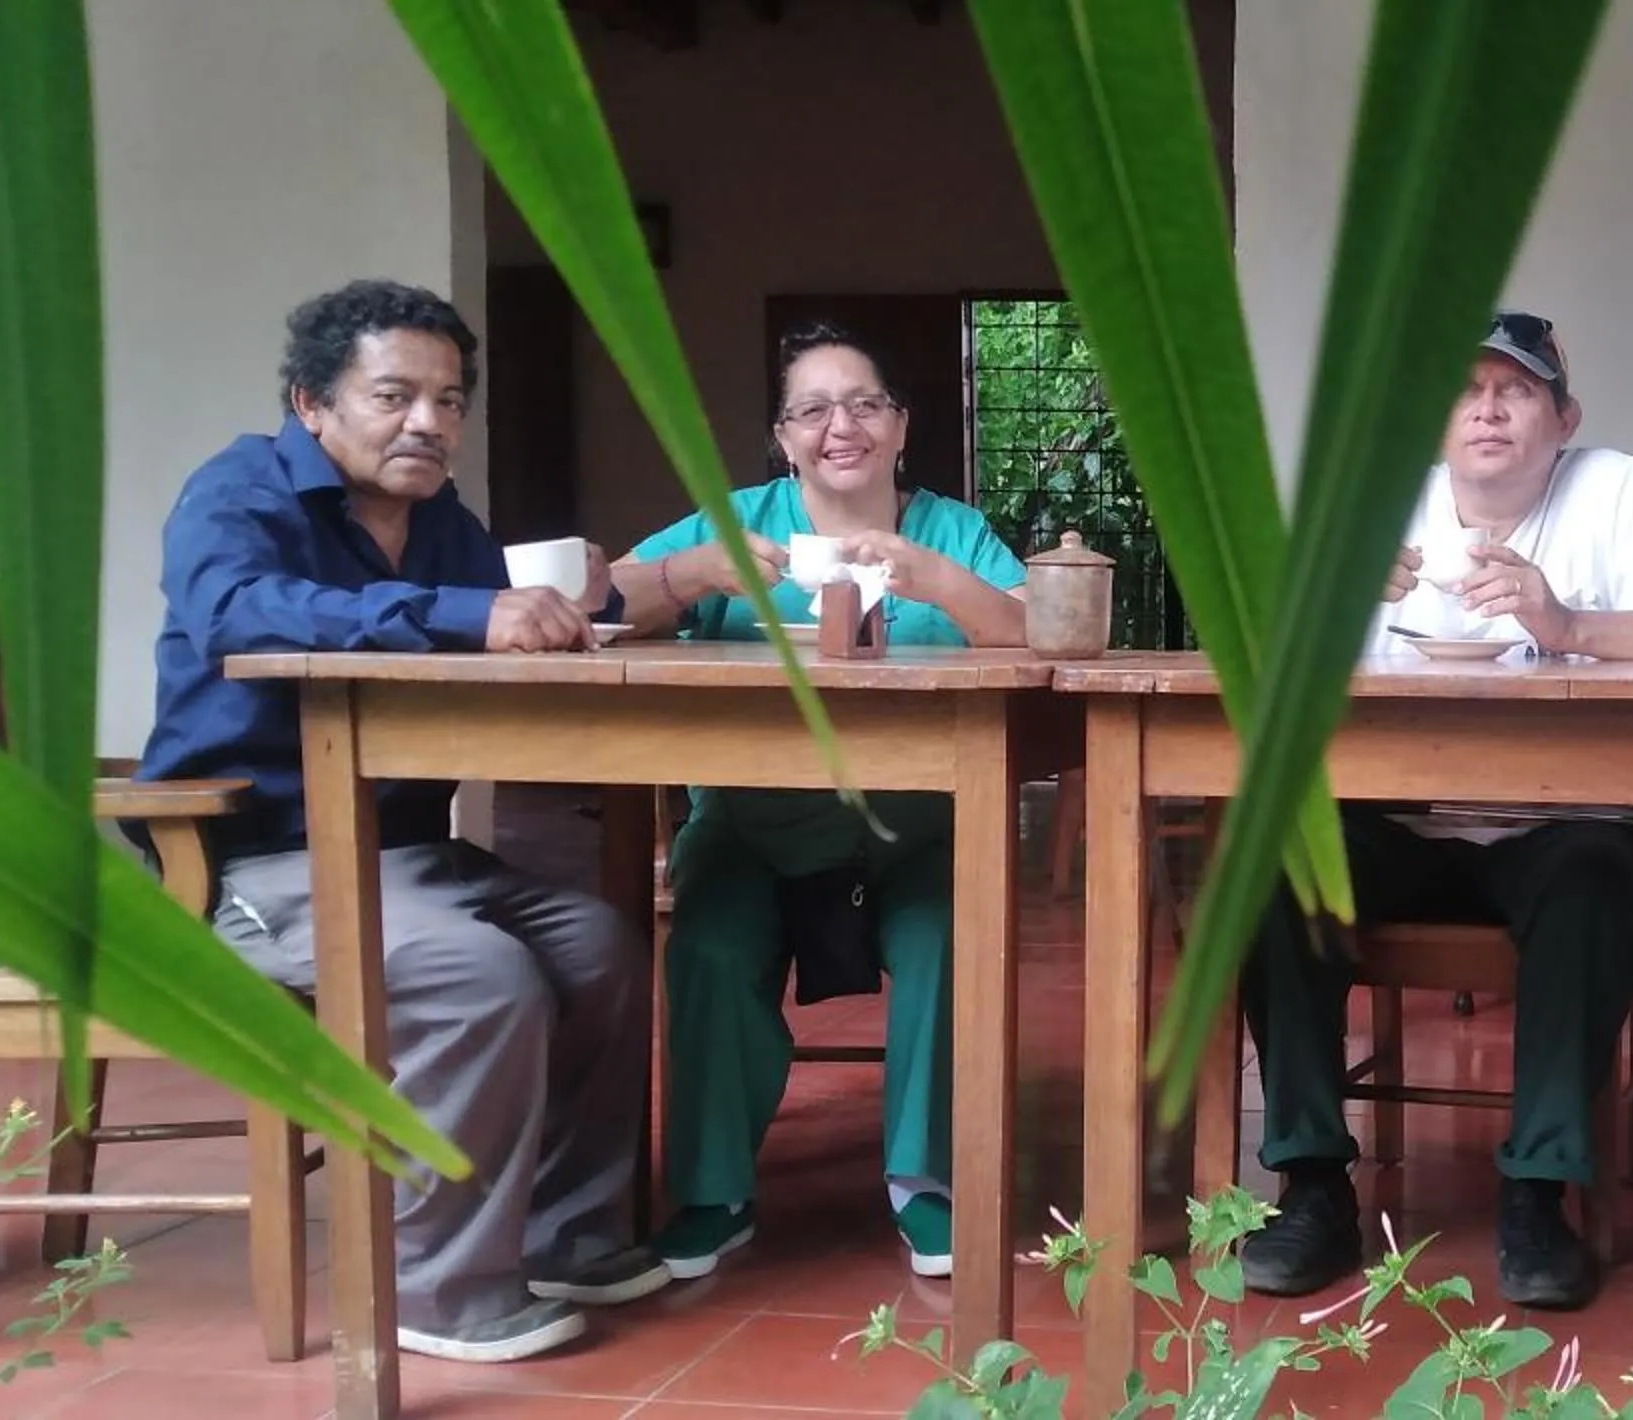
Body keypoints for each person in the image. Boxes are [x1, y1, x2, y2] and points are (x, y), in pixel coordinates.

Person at [137, 279, 659, 1364]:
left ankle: (569, 1235)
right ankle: (438, 1286)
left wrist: (583, 607)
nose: (428, 422)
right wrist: (474, 614)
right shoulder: (235, 495)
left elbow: (501, 618)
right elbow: (237, 612)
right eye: (396, 395)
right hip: (252, 862)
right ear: (311, 404)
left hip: (412, 852)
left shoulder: (442, 525)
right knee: (479, 975)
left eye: (450, 401)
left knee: (604, 943)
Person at [1237, 311, 1633, 1311]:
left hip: (1553, 827)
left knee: (1598, 876)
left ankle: (1536, 1191)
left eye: (1513, 390)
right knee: (1276, 862)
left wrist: (1567, 624)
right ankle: (1310, 1184)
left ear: (1563, 417)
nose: (1485, 408)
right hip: (1397, 822)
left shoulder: (1613, 488)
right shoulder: (1389, 502)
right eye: (1464, 392)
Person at [612, 319, 1028, 1283]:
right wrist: (692, 573)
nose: (840, 426)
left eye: (864, 404)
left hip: (919, 825)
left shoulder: (951, 530)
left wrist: (942, 583)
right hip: (753, 823)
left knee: (946, 939)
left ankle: (927, 1184)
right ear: (784, 435)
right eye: (812, 409)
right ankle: (713, 1192)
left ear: (901, 425)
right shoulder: (737, 519)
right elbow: (604, 600)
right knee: (709, 942)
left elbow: (1037, 635)